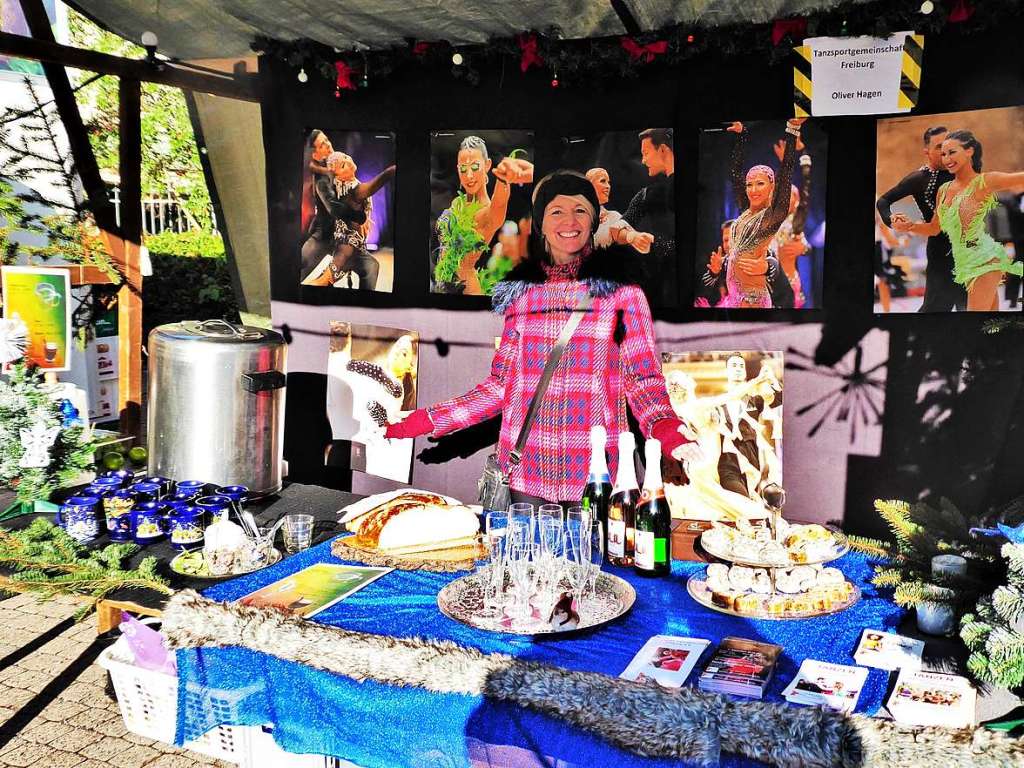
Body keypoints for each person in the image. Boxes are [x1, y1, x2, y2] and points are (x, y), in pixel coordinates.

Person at [386, 170, 700, 505]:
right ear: (542, 223)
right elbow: (500, 385)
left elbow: (643, 380)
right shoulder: (523, 295)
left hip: (595, 474)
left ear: (594, 219)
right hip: (526, 470)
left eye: (580, 210)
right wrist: (430, 419)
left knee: (591, 557)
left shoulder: (622, 294)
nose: (570, 220)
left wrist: (666, 428)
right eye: (557, 211)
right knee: (526, 556)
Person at [892, 130, 1024, 311]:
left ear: (969, 151)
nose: (946, 159)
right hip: (961, 264)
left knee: (972, 325)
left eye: (952, 152)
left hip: (983, 260)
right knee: (990, 328)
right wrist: (909, 226)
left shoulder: (984, 181)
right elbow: (934, 228)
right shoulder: (944, 190)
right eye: (943, 154)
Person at [717, 119, 805, 308]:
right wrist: (742, 136)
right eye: (749, 184)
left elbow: (787, 170)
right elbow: (735, 174)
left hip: (753, 300)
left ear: (772, 186)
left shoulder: (772, 217)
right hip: (734, 299)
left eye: (760, 183)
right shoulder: (745, 212)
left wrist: (792, 130)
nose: (753, 190)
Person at [877, 126, 965, 312]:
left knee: (971, 309)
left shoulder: (960, 171)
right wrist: (891, 219)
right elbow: (884, 201)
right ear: (926, 152)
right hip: (940, 251)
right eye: (938, 147)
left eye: (948, 146)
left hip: (968, 249)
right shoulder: (919, 179)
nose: (944, 152)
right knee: (935, 310)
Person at [434, 136, 534, 295]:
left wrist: (504, 178)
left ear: (487, 165)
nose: (469, 175)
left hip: (465, 290)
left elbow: (499, 201)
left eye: (474, 167)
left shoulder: (488, 212)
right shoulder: (457, 202)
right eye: (463, 168)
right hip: (440, 285)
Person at [306, 152, 396, 290]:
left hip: (355, 250)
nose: (348, 161)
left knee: (372, 266)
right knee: (321, 282)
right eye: (342, 165)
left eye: (346, 157)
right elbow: (377, 183)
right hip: (346, 252)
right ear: (338, 176)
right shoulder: (355, 191)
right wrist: (392, 170)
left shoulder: (346, 191)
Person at [622, 129, 677, 306]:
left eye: (646, 153)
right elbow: (624, 222)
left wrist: (655, 243)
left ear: (662, 150)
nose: (643, 160)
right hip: (662, 285)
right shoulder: (648, 194)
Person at [700, 218, 795, 309]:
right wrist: (713, 273)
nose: (729, 244)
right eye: (726, 240)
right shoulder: (724, 262)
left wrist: (766, 268)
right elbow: (702, 293)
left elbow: (774, 268)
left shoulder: (763, 253)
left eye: (734, 238)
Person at [771, 136, 813, 308]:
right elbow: (779, 186)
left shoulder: (796, 221)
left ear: (797, 201)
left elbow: (806, 184)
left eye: (792, 195)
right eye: (783, 196)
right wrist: (784, 163)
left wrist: (803, 152)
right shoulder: (771, 218)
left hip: (790, 280)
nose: (786, 198)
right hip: (767, 281)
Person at [584, 167, 654, 253]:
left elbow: (618, 231)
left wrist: (633, 237)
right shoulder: (573, 212)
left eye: (608, 182)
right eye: (603, 181)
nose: (608, 186)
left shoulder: (612, 216)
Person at [299, 129, 335, 280]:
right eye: (322, 144)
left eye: (327, 140)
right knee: (301, 268)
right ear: (315, 154)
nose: (328, 144)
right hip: (324, 234)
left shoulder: (340, 163)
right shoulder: (321, 178)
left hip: (338, 236)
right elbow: (334, 208)